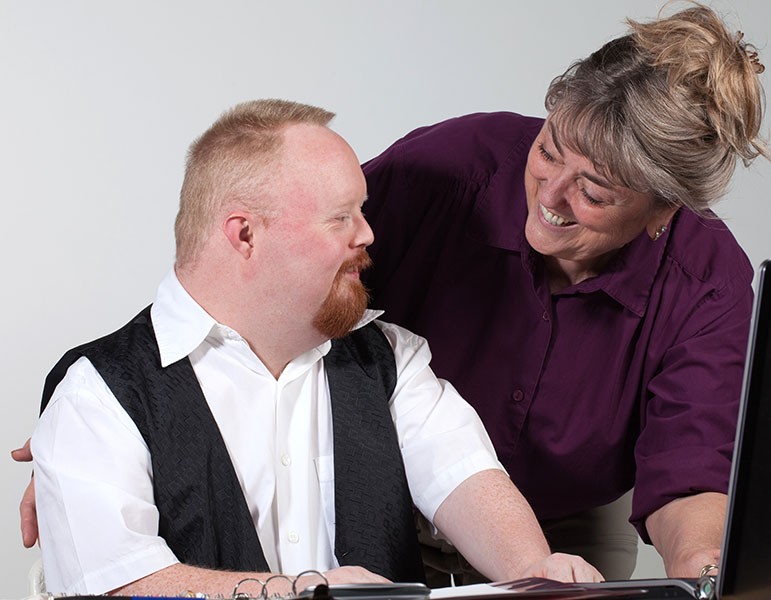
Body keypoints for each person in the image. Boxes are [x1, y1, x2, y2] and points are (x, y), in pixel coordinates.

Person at [22, 99, 601, 595]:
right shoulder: (96, 391)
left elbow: (466, 478)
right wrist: (295, 594)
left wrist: (532, 571)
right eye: (340, 218)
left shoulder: (390, 360)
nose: (368, 234)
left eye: (363, 211)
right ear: (244, 234)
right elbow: (117, 585)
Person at [359, 3, 768, 583]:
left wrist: (703, 568)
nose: (549, 196)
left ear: (664, 207)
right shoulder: (448, 171)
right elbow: (305, 271)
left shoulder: (706, 281)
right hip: (375, 495)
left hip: (562, 521)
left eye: (593, 193)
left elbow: (691, 468)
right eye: (548, 151)